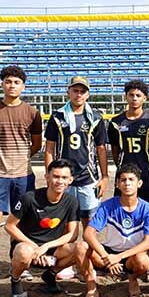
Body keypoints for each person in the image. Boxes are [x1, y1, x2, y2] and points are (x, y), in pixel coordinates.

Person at [0, 65, 43, 288]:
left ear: (23, 86)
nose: (12, 86)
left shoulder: (32, 112)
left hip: (24, 175)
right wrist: (0, 160)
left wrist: (20, 160)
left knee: (20, 223)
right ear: (2, 84)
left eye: (16, 82)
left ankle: (19, 266)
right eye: (8, 82)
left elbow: (36, 144)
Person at [4, 159, 81, 297]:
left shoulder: (72, 201)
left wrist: (47, 247)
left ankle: (50, 275)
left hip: (52, 249)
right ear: (47, 177)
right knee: (24, 252)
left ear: (70, 180)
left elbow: (73, 234)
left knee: (80, 249)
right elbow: (9, 226)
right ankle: (15, 280)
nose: (60, 181)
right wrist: (35, 247)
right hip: (28, 246)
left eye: (64, 178)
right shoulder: (29, 198)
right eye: (56, 176)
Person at [81, 164, 149, 297]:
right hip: (109, 254)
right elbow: (88, 233)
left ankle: (132, 278)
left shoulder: (147, 209)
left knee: (143, 261)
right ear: (117, 184)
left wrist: (119, 257)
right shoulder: (107, 205)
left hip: (131, 256)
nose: (127, 183)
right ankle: (91, 287)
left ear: (139, 183)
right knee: (81, 247)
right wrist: (106, 256)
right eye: (123, 180)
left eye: (131, 179)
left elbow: (148, 243)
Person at [43, 76, 109, 228]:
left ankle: (88, 252)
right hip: (63, 177)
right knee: (64, 222)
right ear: (69, 92)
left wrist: (105, 176)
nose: (78, 94)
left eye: (82, 91)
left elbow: (101, 148)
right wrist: (49, 174)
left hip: (88, 177)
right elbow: (50, 148)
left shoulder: (96, 118)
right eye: (75, 90)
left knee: (89, 222)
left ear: (87, 94)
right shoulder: (57, 116)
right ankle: (65, 252)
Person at [107, 79, 149, 210]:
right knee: (122, 209)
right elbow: (115, 151)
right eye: (131, 95)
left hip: (146, 173)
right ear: (125, 96)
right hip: (124, 173)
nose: (134, 98)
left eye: (138, 95)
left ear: (144, 98)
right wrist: (121, 166)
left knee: (147, 210)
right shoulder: (116, 122)